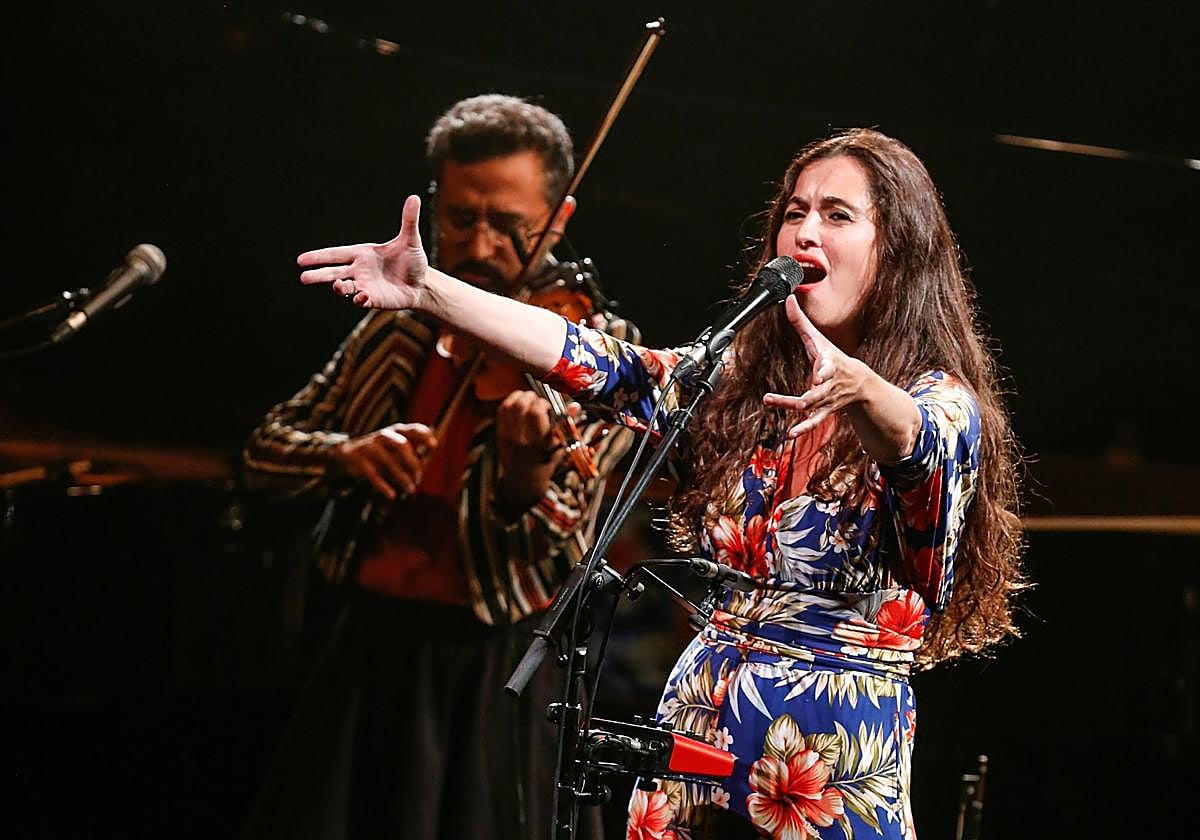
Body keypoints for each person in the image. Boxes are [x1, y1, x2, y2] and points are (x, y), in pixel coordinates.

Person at [296, 127, 1026, 840]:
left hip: (824, 760)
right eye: (795, 212)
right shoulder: (744, 382)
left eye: (838, 216)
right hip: (697, 729)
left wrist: (864, 388)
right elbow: (602, 363)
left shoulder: (939, 399)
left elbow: (917, 441)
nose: (806, 231)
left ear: (895, 252)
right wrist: (430, 290)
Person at [241, 94, 637, 840]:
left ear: (559, 219)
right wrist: (346, 456)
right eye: (461, 218)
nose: (482, 247)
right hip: (370, 652)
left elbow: (558, 536)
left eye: (510, 225)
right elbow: (264, 449)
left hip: (499, 670)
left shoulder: (595, 346)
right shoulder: (394, 326)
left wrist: (524, 475)